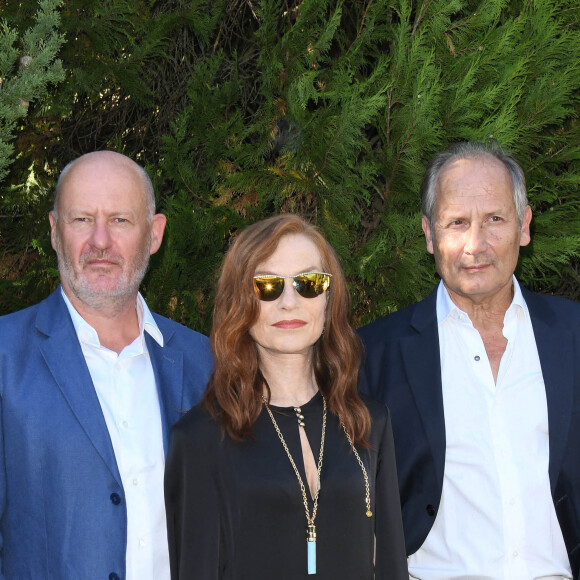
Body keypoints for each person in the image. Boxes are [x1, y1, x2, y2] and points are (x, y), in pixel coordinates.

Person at [359, 141, 580, 579]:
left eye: (494, 219)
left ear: (524, 225)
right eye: (456, 222)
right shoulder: (374, 355)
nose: (475, 244)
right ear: (429, 235)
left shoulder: (573, 335)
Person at [0, 151, 212, 580]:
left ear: (154, 234)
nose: (100, 241)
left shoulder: (205, 362)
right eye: (81, 220)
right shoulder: (5, 356)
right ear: (55, 232)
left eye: (119, 220)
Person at [164, 214, 408, 579]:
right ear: (240, 301)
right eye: (267, 285)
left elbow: (390, 566)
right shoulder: (200, 440)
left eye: (309, 283)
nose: (289, 302)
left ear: (329, 297)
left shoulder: (370, 422)